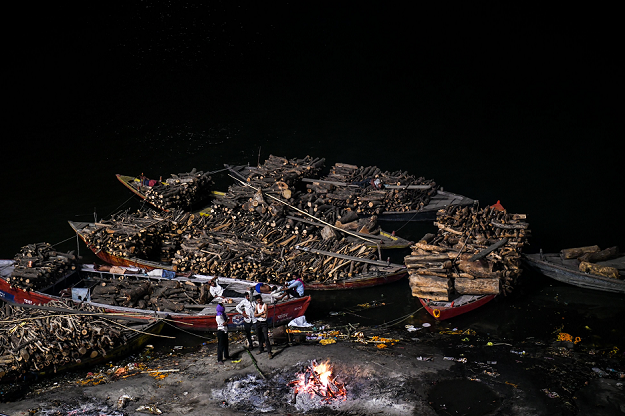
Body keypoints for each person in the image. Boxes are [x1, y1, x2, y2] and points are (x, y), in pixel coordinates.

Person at [254, 295, 272, 359]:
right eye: (258, 300)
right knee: (259, 336)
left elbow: (265, 316)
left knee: (266, 337)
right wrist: (261, 313)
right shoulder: (257, 306)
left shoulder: (265, 305)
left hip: (264, 322)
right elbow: (255, 315)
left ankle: (269, 352)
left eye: (260, 300)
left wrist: (258, 315)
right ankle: (260, 349)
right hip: (258, 322)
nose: (259, 301)